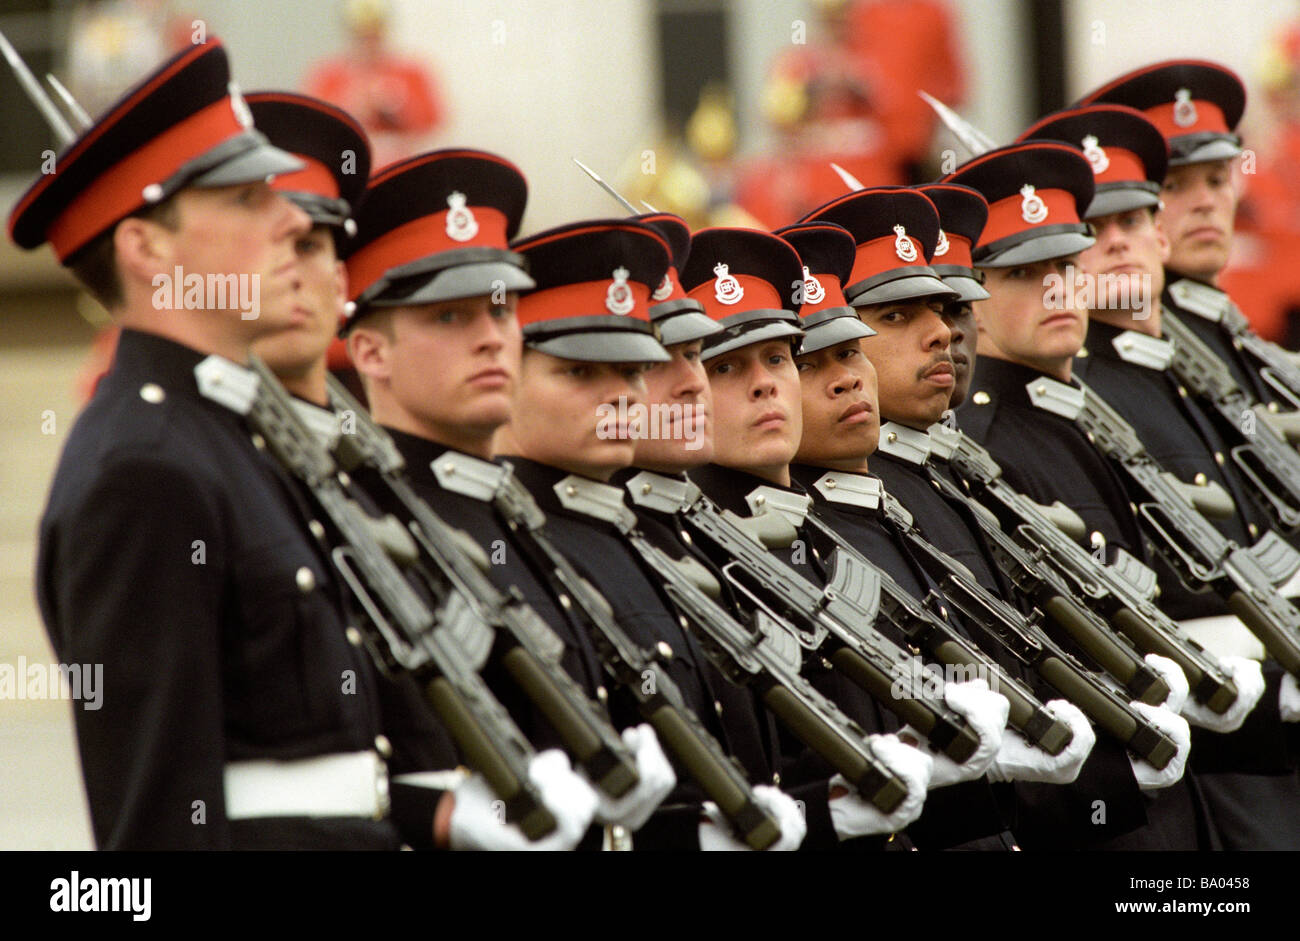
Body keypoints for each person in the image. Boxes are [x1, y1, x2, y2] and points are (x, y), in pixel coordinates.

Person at [13, 40, 410, 850]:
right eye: (245, 200)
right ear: (148, 249)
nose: (295, 218)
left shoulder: (230, 435)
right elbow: (156, 830)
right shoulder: (145, 469)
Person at [1015, 102, 1300, 850]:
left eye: (1133, 222)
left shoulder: (1184, 366)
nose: (1115, 245)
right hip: (1219, 733)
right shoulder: (1081, 393)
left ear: (1159, 234)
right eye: (1095, 231)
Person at [488, 218, 807, 851]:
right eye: (585, 372)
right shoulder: (512, 539)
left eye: (636, 366)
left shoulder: (655, 535)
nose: (691, 383)